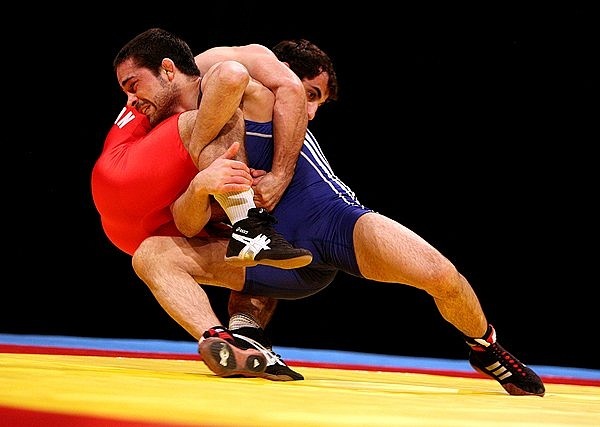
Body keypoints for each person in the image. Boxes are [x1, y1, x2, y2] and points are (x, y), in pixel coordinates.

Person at [100, 29, 545, 396]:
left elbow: (268, 83)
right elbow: (187, 222)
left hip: (330, 223)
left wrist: (278, 175)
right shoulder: (176, 133)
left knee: (441, 275)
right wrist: (201, 187)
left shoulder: (246, 86)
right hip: (267, 254)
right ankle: (228, 340)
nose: (311, 112)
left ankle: (485, 346)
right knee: (153, 254)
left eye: (317, 100)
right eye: (311, 95)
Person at [92, 29, 312, 270]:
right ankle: (247, 225)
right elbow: (243, 77)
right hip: (119, 174)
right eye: (311, 95)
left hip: (151, 229)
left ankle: (247, 232)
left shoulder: (203, 82)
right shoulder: (213, 64)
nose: (129, 102)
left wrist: (258, 181)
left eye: (133, 87)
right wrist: (280, 176)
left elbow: (291, 89)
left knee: (260, 257)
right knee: (225, 114)